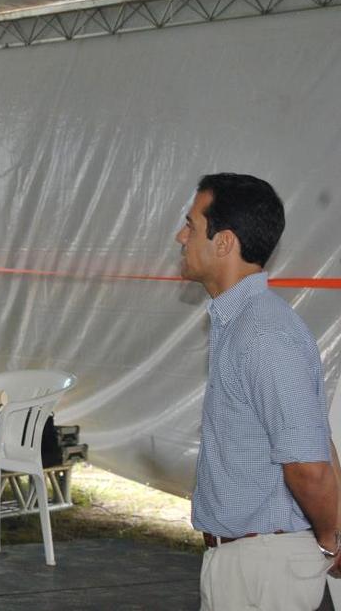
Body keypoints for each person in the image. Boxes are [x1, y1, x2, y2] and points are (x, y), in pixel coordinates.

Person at [176, 173, 341, 611]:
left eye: (191, 225)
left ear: (224, 242)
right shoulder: (244, 324)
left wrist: (331, 536)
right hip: (246, 561)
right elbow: (317, 438)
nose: (181, 236)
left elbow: (309, 465)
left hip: (264, 569)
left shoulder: (262, 332)